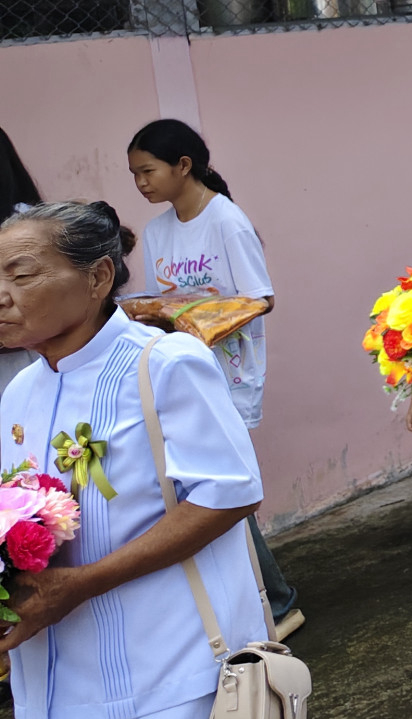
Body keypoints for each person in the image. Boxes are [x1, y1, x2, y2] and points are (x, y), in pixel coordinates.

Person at [0, 200, 319, 719]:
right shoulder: (19, 394)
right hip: (54, 681)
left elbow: (228, 495)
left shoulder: (165, 364)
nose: (2, 297)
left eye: (22, 276)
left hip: (165, 666)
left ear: (97, 278)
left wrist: (83, 582)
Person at [122, 120, 299, 639]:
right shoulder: (156, 231)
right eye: (134, 175)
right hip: (183, 371)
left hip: (231, 371)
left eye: (148, 171)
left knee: (220, 487)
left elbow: (260, 298)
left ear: (183, 166)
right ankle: (265, 599)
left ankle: (279, 601)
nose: (141, 183)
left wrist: (200, 313)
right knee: (203, 486)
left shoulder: (227, 221)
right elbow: (163, 301)